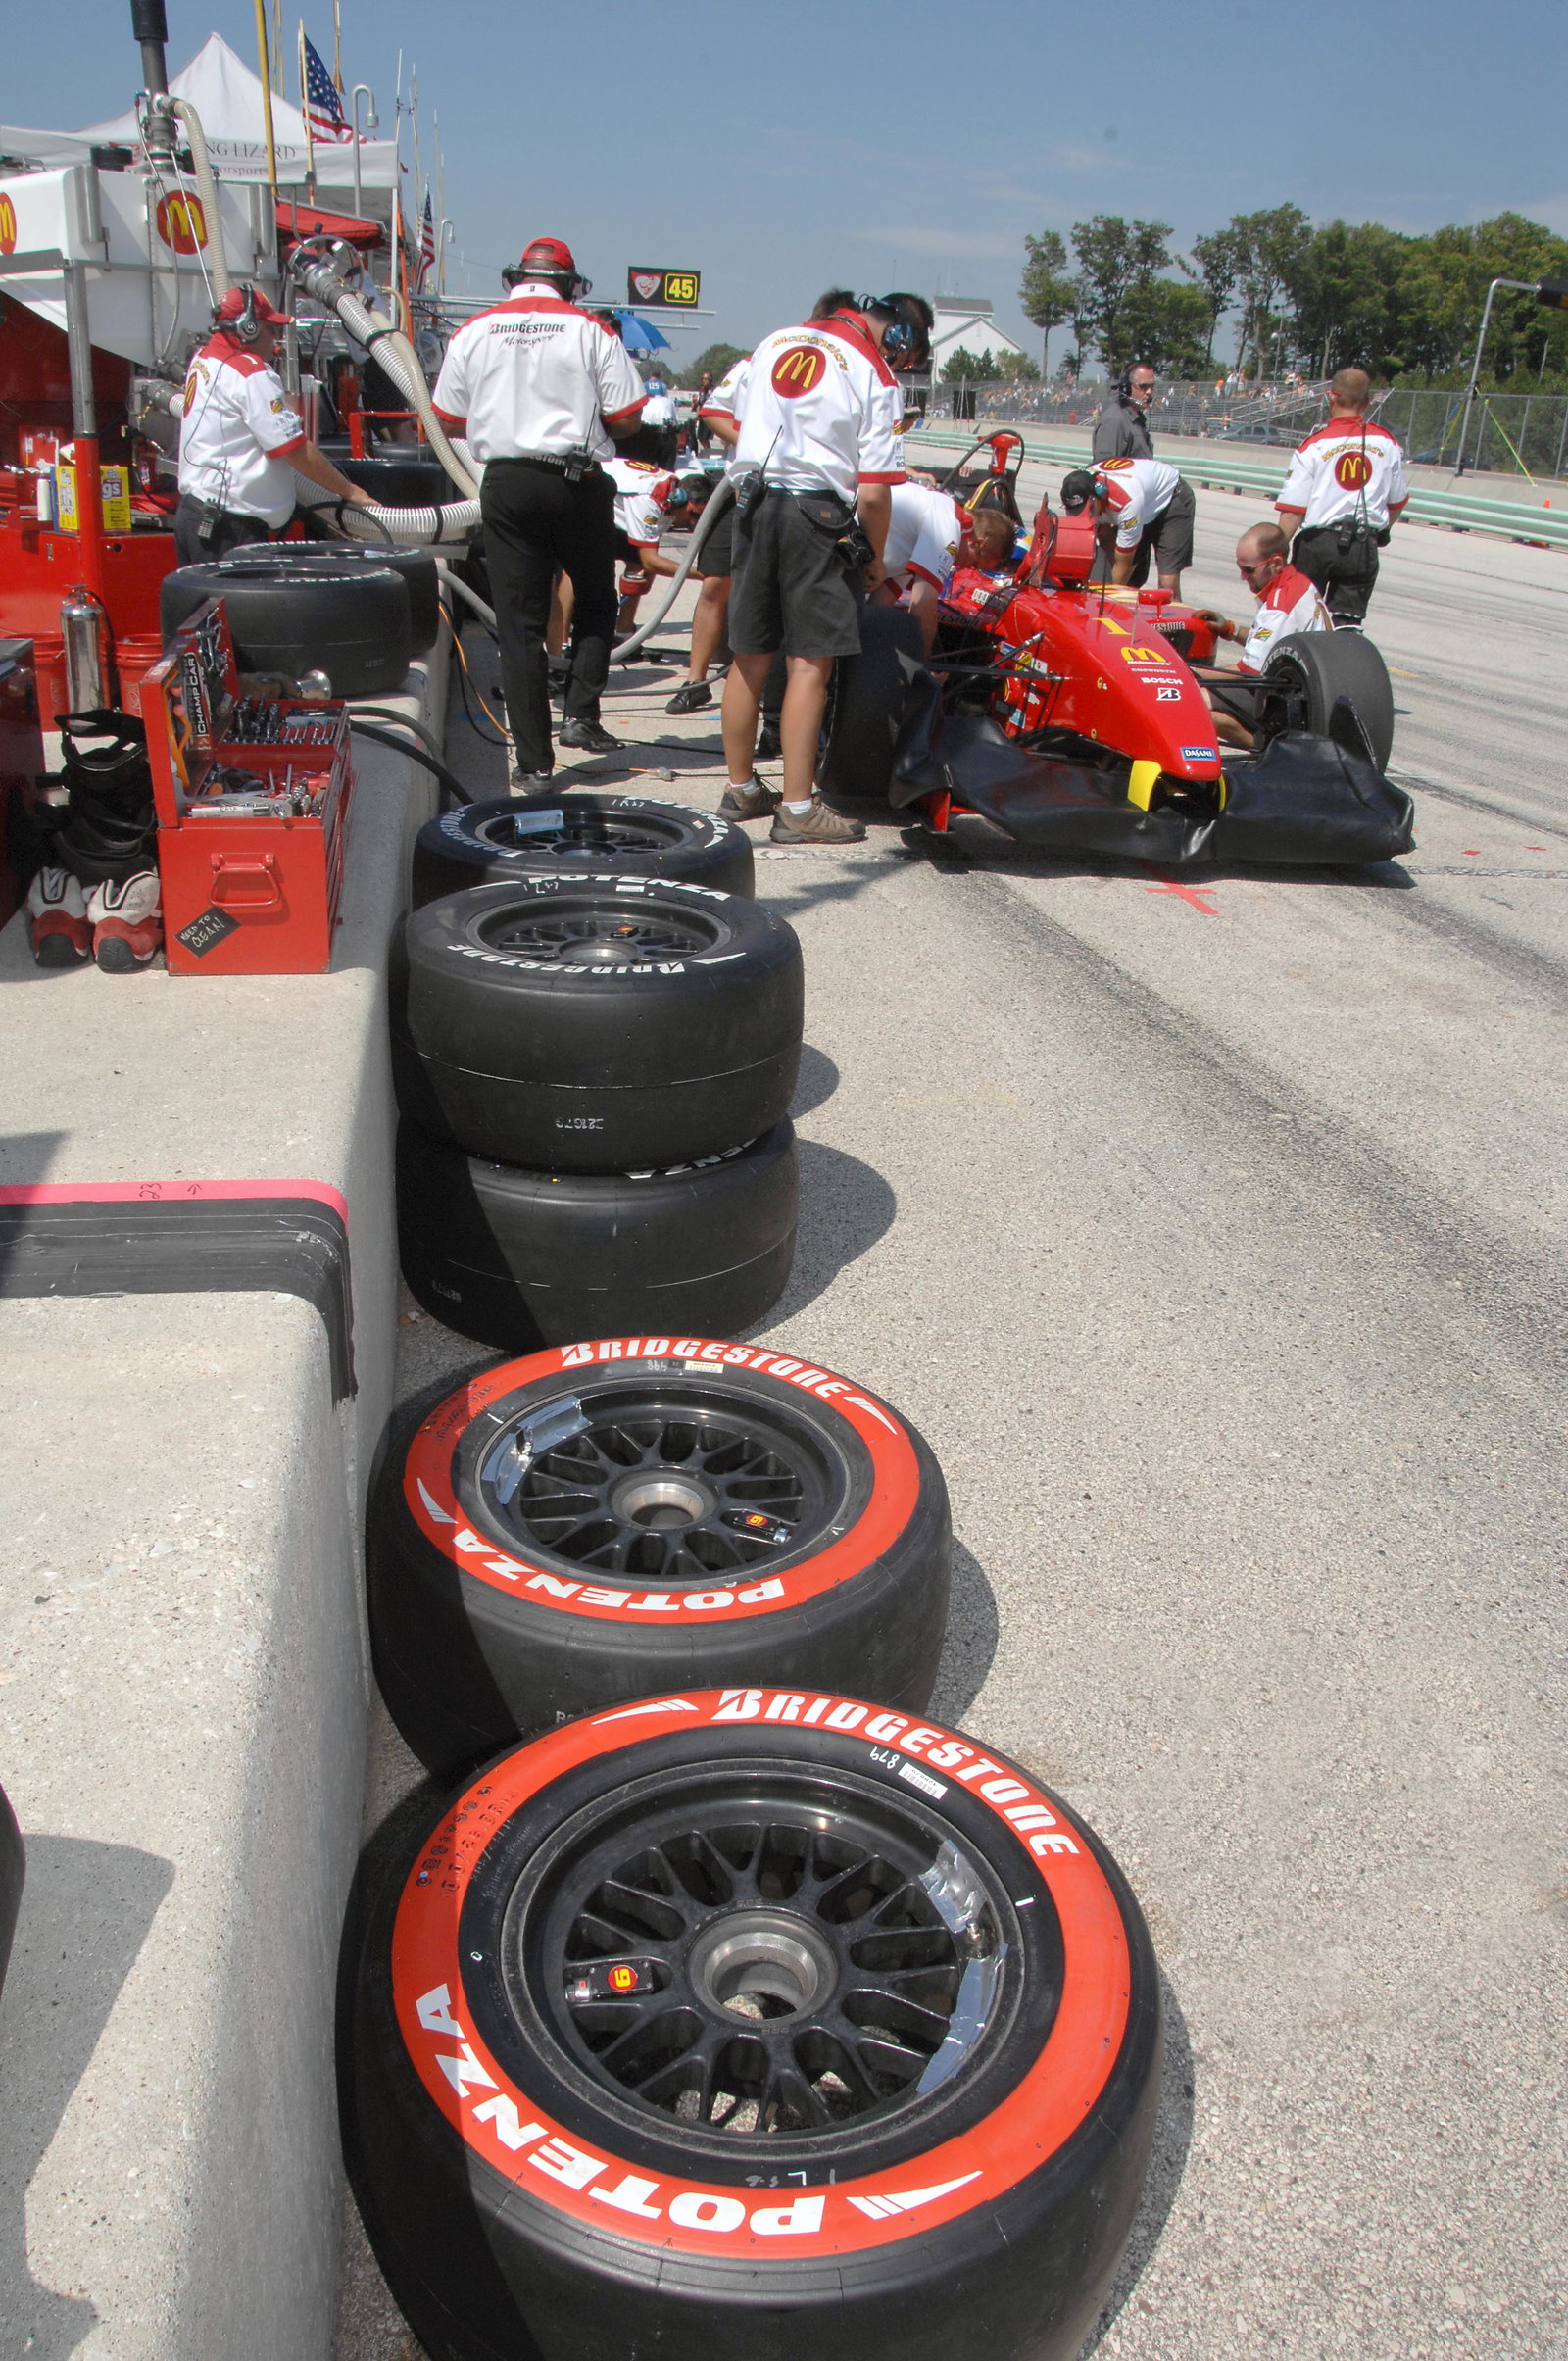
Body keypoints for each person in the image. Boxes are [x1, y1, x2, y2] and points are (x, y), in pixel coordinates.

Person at [431, 235, 647, 786]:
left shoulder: (472, 332)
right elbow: (628, 418)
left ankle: (534, 764)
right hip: (576, 480)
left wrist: (503, 415)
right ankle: (580, 712)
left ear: (514, 278)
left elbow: (446, 419)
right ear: (570, 283)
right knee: (598, 600)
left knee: (519, 625)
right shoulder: (590, 329)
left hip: (506, 482)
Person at [720, 289, 932, 843]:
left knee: (749, 657)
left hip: (753, 506)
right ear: (901, 334)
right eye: (907, 355)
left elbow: (723, 414)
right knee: (811, 664)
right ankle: (797, 808)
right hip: (817, 515)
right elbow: (876, 492)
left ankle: (741, 789)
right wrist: (878, 562)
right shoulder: (873, 369)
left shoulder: (774, 341)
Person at [175, 284, 373, 565]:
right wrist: (353, 492)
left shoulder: (203, 359)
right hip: (229, 529)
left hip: (199, 517)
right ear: (248, 329)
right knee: (240, 609)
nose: (277, 342)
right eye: (272, 331)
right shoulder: (251, 373)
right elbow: (294, 450)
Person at [1275, 368, 1408, 625]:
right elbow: (1397, 502)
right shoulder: (1387, 443)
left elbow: (1293, 510)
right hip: (1362, 545)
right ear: (1368, 402)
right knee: (1348, 625)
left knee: (1301, 620)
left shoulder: (1313, 445)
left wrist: (1277, 552)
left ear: (1330, 397)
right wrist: (1380, 534)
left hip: (1317, 544)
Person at [1189, 520, 1332, 747]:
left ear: (1275, 563)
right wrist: (1231, 630)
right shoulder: (1298, 583)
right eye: (1239, 568)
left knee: (1191, 700)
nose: (1242, 577)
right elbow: (1273, 647)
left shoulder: (1279, 607)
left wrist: (1185, 674)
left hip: (1293, 699)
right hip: (1305, 689)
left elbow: (1249, 672)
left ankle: (1266, 749)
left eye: (1248, 570)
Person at [665, 351, 750, 718]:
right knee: (715, 584)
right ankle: (696, 681)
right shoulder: (753, 365)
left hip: (795, 496)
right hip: (739, 487)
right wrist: (753, 445)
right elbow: (711, 410)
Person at [1063, 457, 1195, 598]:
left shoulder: (1125, 503)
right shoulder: (1077, 488)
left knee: (1167, 583)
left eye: (1088, 510)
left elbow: (1123, 562)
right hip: (1141, 496)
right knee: (1126, 582)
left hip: (1171, 499)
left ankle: (1173, 615)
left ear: (1098, 496)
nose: (1086, 516)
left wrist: (1105, 599)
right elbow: (1105, 542)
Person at [868, 479, 970, 649]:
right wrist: (924, 666)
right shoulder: (950, 522)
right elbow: (922, 605)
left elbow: (879, 603)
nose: (968, 567)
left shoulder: (913, 544)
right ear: (980, 543)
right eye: (975, 562)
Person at [603, 441, 679, 631]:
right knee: (576, 570)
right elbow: (651, 561)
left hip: (621, 505)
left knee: (637, 570)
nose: (695, 523)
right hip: (594, 495)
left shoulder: (672, 490)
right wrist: (703, 574)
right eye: (693, 516)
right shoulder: (651, 497)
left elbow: (647, 562)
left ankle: (624, 630)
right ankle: (561, 643)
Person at [1092, 362, 1156, 462]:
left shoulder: (1137, 419)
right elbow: (1105, 470)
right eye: (1143, 387)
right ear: (1126, 388)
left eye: (1152, 386)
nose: (1149, 392)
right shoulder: (1114, 420)